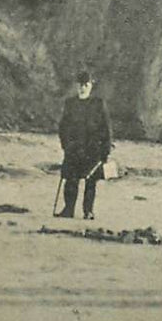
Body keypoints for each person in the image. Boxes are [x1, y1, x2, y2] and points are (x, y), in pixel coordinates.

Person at [56, 70, 112, 219]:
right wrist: (65, 145)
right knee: (70, 180)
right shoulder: (70, 104)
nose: (83, 87)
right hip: (73, 149)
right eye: (80, 85)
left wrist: (105, 151)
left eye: (86, 84)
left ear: (91, 86)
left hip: (92, 150)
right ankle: (68, 210)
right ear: (76, 86)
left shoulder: (98, 104)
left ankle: (88, 211)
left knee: (90, 181)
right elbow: (63, 127)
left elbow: (105, 129)